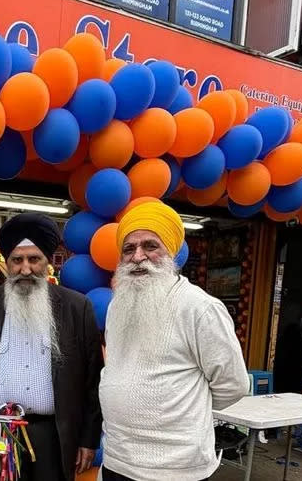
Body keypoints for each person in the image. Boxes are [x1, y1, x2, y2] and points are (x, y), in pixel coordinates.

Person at [100, 202, 249, 481]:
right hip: (118, 460)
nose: (138, 256)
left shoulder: (200, 307)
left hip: (175, 468)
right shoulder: (117, 305)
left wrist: (182, 408)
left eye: (150, 246)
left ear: (170, 250)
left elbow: (233, 385)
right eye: (129, 249)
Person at [0, 212, 104, 481]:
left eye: (34, 259)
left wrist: (88, 439)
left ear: (47, 261)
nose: (25, 269)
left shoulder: (77, 308)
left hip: (54, 436)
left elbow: (93, 381)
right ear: (6, 262)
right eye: (17, 260)